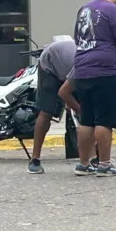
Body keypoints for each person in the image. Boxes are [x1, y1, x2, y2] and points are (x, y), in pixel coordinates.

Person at [71, 0, 116, 177]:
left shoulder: (84, 9)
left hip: (82, 69)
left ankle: (83, 164)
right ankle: (104, 164)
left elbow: (78, 39)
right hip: (106, 70)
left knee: (86, 119)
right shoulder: (115, 11)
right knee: (104, 120)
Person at [27, 39, 84, 174]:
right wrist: (78, 109)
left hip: (67, 66)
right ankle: (35, 159)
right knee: (47, 112)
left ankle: (89, 159)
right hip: (50, 64)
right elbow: (63, 93)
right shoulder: (83, 64)